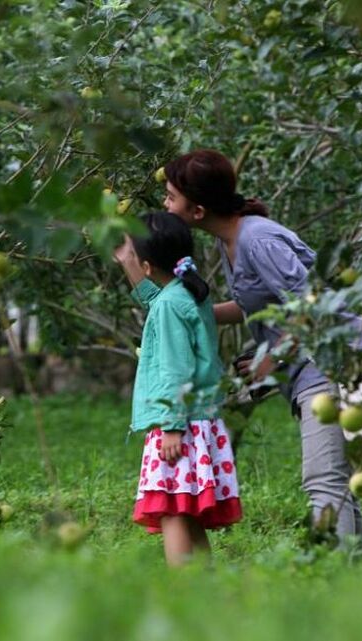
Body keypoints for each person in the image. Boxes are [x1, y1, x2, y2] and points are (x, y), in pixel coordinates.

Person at [142, 149, 362, 547]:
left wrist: (273, 358)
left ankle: (329, 582)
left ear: (196, 210)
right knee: (335, 483)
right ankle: (351, 581)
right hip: (308, 370)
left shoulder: (257, 240)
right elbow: (252, 306)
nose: (165, 203)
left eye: (170, 197)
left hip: (329, 365)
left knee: (323, 482)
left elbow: (316, 306)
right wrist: (188, 315)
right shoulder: (230, 242)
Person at [113, 212, 242, 566]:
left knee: (171, 512)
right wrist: (129, 261)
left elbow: (174, 370)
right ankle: (204, 588)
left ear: (149, 265)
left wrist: (171, 426)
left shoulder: (172, 304)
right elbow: (156, 303)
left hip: (180, 424)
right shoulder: (188, 293)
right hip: (199, 421)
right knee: (184, 511)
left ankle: (182, 591)